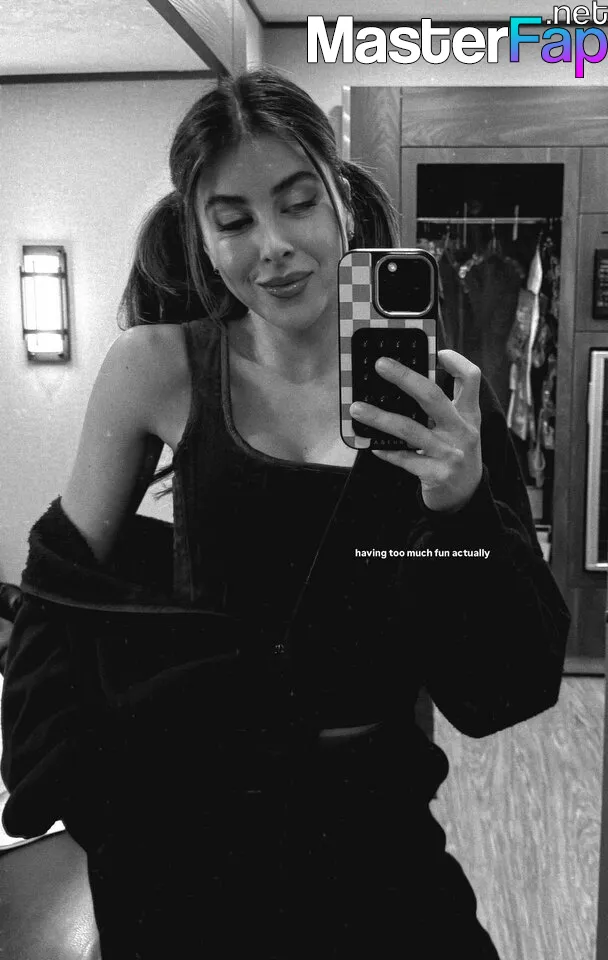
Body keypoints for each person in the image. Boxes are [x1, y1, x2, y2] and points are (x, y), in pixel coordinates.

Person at [1, 69, 571, 959]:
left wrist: (464, 508)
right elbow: (54, 596)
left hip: (376, 834)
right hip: (185, 851)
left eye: (298, 203)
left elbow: (507, 685)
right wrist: (92, 798)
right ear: (199, 235)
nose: (272, 246)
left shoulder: (440, 399)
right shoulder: (156, 368)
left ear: (340, 197)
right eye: (233, 221)